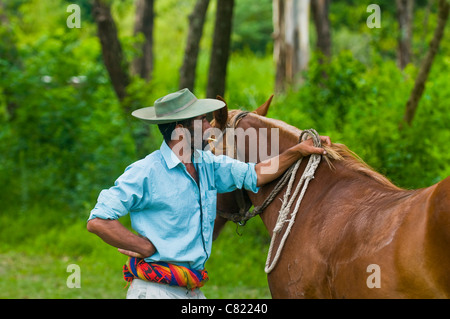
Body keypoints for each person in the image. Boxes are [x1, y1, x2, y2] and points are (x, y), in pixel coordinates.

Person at [87, 88, 330, 299]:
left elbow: (255, 174)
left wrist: (298, 150)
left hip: (191, 289)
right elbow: (98, 221)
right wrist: (144, 247)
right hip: (155, 291)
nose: (209, 127)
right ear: (181, 129)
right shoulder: (146, 172)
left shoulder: (207, 165)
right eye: (202, 120)